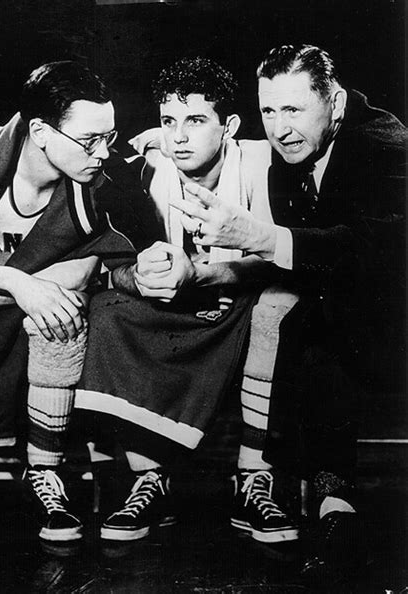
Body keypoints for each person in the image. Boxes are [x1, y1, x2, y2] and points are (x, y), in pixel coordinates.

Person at [153, 46, 406, 581]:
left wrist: (257, 237)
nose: (280, 128)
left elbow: (378, 252)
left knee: (311, 315)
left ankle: (313, 490)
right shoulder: (295, 152)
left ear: (334, 103)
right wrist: (199, 273)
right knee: (301, 314)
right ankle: (325, 498)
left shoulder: (384, 144)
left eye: (293, 110)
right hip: (346, 309)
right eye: (270, 111)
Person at [0, 61, 161, 543]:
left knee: (62, 310)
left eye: (110, 136)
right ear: (39, 130)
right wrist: (18, 284)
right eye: (89, 140)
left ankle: (43, 473)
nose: (103, 152)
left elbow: (81, 273)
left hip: (5, 313)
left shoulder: (105, 180)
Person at [76, 57, 299, 545]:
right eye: (168, 122)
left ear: (230, 127)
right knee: (107, 310)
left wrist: (198, 272)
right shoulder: (149, 173)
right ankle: (151, 478)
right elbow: (118, 267)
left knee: (278, 302)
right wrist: (144, 275)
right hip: (189, 304)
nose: (179, 136)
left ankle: (253, 478)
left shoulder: (263, 163)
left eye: (196, 121)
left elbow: (280, 258)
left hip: (240, 298)